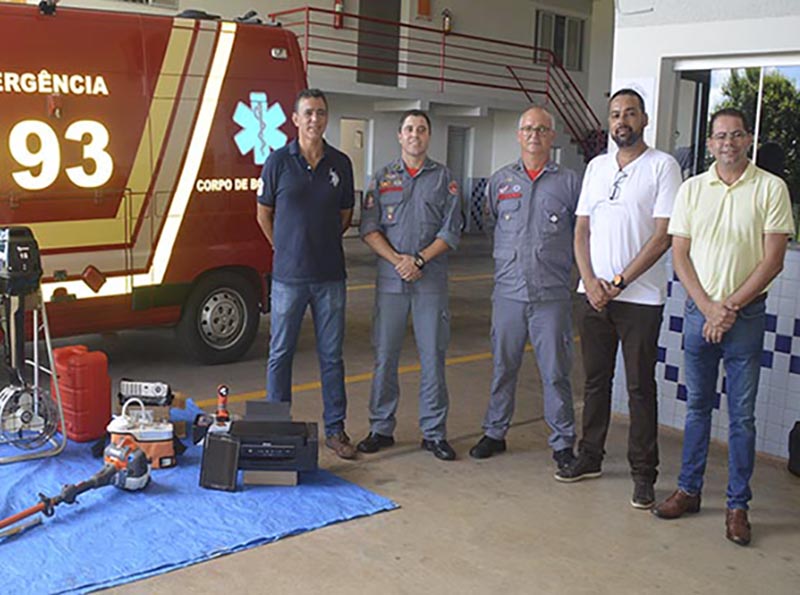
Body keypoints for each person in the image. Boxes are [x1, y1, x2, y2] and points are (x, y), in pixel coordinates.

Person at [652, 108, 794, 546]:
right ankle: (689, 491)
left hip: (745, 318)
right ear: (709, 143)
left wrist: (727, 307)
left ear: (748, 139)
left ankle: (738, 505)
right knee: (697, 408)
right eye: (719, 136)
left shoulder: (771, 188)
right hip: (699, 316)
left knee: (742, 417)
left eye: (735, 135)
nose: (727, 143)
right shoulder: (693, 190)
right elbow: (680, 255)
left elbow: (773, 260)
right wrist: (707, 308)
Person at [555, 89, 682, 511]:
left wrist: (620, 281)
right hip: (591, 296)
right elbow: (581, 231)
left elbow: (662, 236)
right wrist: (589, 281)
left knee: (640, 387)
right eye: (614, 114)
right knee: (594, 382)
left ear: (644, 119)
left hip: (640, 299)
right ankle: (589, 456)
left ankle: (644, 475)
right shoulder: (596, 167)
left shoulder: (663, 166)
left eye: (629, 113)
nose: (621, 120)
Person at [468, 106, 581, 474]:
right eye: (528, 129)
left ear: (552, 136)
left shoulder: (569, 183)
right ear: (519, 135)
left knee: (555, 372)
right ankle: (495, 432)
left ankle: (563, 442)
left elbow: (582, 236)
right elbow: (491, 226)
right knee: (503, 367)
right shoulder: (500, 182)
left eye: (542, 129)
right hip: (509, 293)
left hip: (551, 295)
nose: (534, 135)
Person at [256, 88, 357, 460]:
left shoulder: (341, 164)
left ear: (326, 119)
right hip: (288, 278)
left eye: (321, 113)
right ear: (296, 120)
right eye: (308, 113)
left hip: (331, 276)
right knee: (280, 353)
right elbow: (263, 213)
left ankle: (335, 430)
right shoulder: (278, 162)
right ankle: (275, 426)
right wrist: (283, 248)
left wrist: (321, 241)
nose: (315, 119)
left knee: (332, 356)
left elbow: (346, 216)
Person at [357, 109, 462, 461]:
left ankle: (433, 433)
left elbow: (450, 231)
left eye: (421, 129)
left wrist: (419, 260)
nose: (415, 134)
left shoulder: (444, 179)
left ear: (428, 136)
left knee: (433, 356)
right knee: (384, 357)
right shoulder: (382, 177)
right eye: (408, 129)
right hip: (391, 282)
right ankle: (381, 428)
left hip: (430, 281)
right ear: (399, 137)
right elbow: (369, 229)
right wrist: (398, 261)